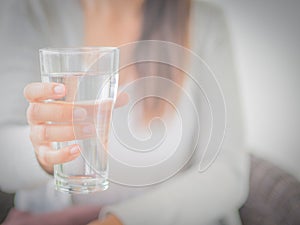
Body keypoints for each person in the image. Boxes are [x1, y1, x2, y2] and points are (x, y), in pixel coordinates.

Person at [0, 0, 249, 224]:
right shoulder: (29, 10)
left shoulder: (205, 23)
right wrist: (41, 153)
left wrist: (122, 220)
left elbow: (228, 171)